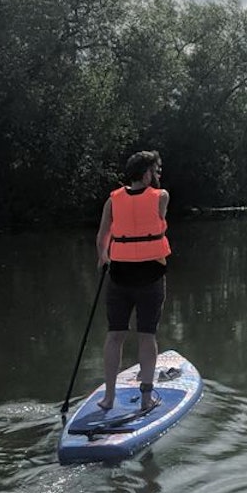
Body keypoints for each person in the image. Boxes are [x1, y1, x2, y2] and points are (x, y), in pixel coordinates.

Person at [95, 150, 171, 412]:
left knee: (115, 335)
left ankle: (109, 397)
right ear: (146, 173)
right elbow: (156, 211)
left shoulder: (112, 200)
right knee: (146, 336)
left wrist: (103, 256)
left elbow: (103, 236)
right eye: (155, 170)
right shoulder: (161, 197)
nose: (158, 175)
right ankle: (147, 399)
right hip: (150, 276)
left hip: (120, 276)